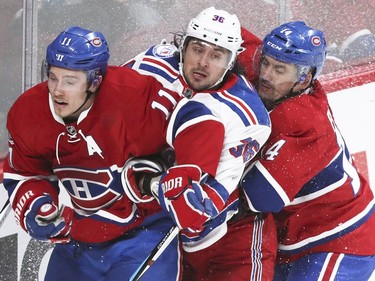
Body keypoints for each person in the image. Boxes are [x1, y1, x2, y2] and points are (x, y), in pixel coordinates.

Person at [2, 26, 183, 281]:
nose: (57, 90)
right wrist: (36, 206)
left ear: (95, 81)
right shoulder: (28, 113)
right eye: (53, 77)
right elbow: (24, 174)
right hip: (80, 238)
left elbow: (189, 138)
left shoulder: (133, 98)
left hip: (145, 233)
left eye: (70, 81)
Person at [123, 7, 276, 281]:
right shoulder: (152, 65)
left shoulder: (246, 115)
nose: (203, 62)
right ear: (183, 45)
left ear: (230, 61)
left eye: (216, 55)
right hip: (146, 221)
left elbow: (210, 195)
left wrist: (183, 197)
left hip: (222, 237)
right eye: (197, 49)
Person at [240, 21, 375, 280]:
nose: (266, 74)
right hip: (292, 242)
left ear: (305, 79)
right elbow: (230, 35)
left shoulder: (305, 124)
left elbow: (258, 197)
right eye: (266, 62)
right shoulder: (273, 79)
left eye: (279, 69)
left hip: (340, 240)